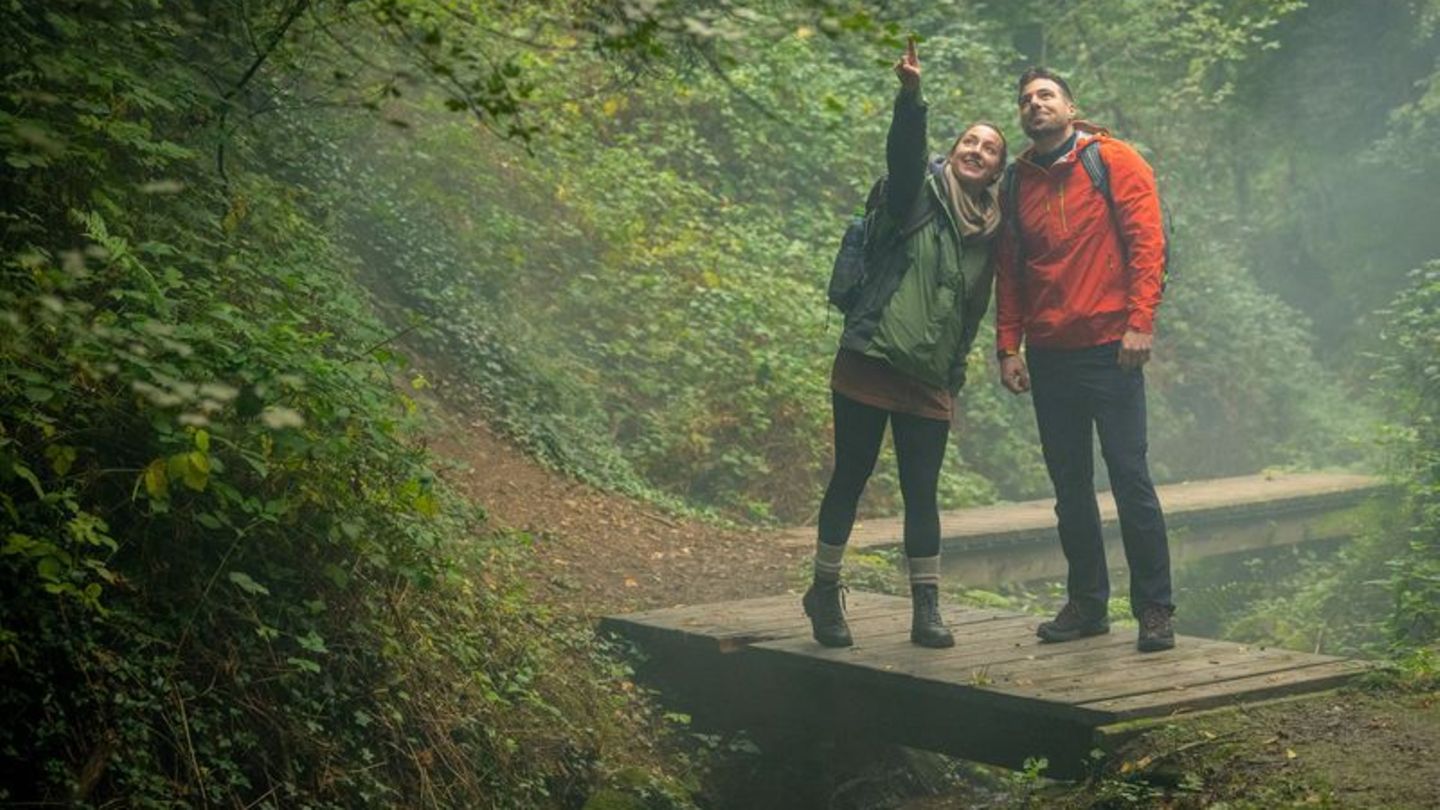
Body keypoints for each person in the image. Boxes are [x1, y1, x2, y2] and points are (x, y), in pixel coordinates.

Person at [803, 40, 1006, 649]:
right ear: (954, 149)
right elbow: (904, 152)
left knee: (922, 493)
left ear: (998, 171)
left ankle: (927, 607)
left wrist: (954, 375)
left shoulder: (992, 235)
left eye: (990, 148)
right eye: (970, 141)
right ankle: (824, 590)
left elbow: (970, 315)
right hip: (871, 362)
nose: (976, 150)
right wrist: (911, 98)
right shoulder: (915, 193)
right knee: (851, 476)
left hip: (930, 380)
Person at [994, 67, 1175, 652]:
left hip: (1110, 350)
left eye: (1046, 95)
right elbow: (1010, 271)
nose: (1034, 104)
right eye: (1025, 99)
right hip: (1050, 355)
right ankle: (1088, 605)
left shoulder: (1112, 160)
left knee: (1129, 476)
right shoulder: (1016, 182)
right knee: (1069, 485)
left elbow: (1148, 245)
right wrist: (1008, 346)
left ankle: (1154, 608)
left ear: (1071, 108)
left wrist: (1140, 323)